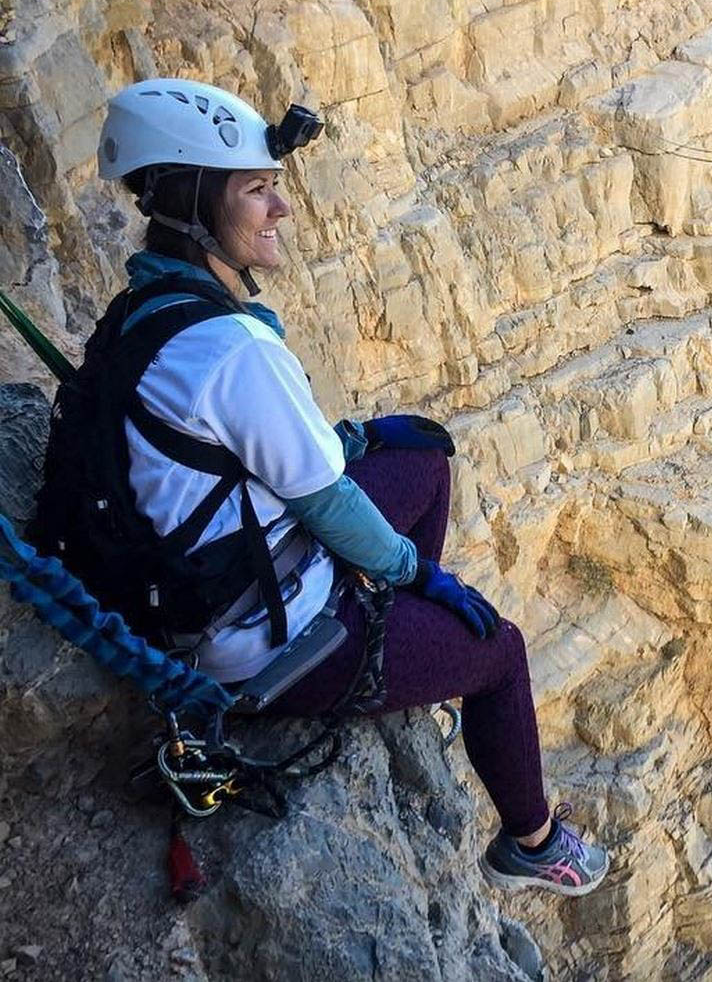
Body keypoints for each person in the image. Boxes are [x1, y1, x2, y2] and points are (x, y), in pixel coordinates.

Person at [86, 77, 608, 896]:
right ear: (193, 202)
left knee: (424, 462)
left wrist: (361, 439)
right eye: (257, 191)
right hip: (255, 640)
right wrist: (416, 572)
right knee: (500, 652)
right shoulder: (231, 349)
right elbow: (324, 501)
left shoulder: (149, 310)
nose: (280, 210)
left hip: (211, 571)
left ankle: (394, 625)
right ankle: (532, 845)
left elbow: (252, 448)